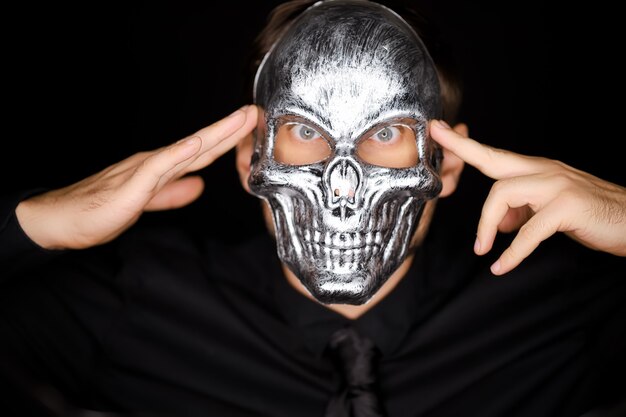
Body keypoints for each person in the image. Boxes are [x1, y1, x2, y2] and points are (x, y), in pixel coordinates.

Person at [1, 1, 625, 417]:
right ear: (251, 158)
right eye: (305, 131)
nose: (343, 189)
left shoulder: (565, 317)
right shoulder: (130, 305)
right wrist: (34, 224)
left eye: (385, 135)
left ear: (449, 163)